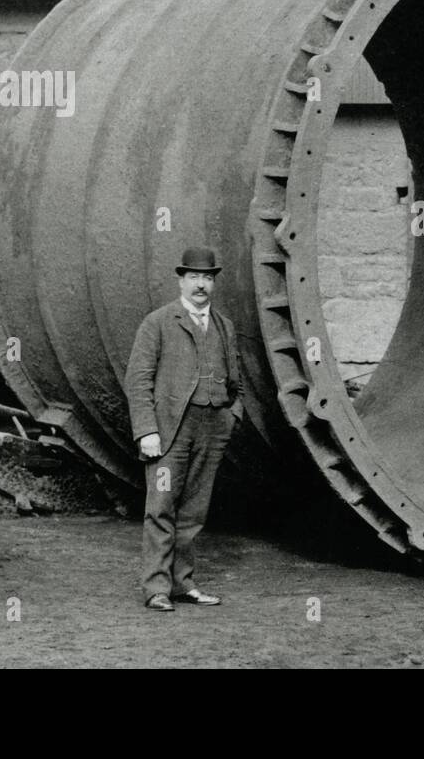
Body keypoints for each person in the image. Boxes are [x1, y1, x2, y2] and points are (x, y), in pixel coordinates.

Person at [125, 246, 246, 610]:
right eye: (194, 277)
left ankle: (182, 583)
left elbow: (236, 384)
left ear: (213, 283)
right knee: (161, 506)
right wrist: (147, 430)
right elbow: (138, 380)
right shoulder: (158, 322)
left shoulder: (224, 326)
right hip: (169, 432)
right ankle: (156, 589)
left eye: (207, 278)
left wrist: (231, 416)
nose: (201, 284)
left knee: (194, 511)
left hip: (211, 429)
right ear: (181, 280)